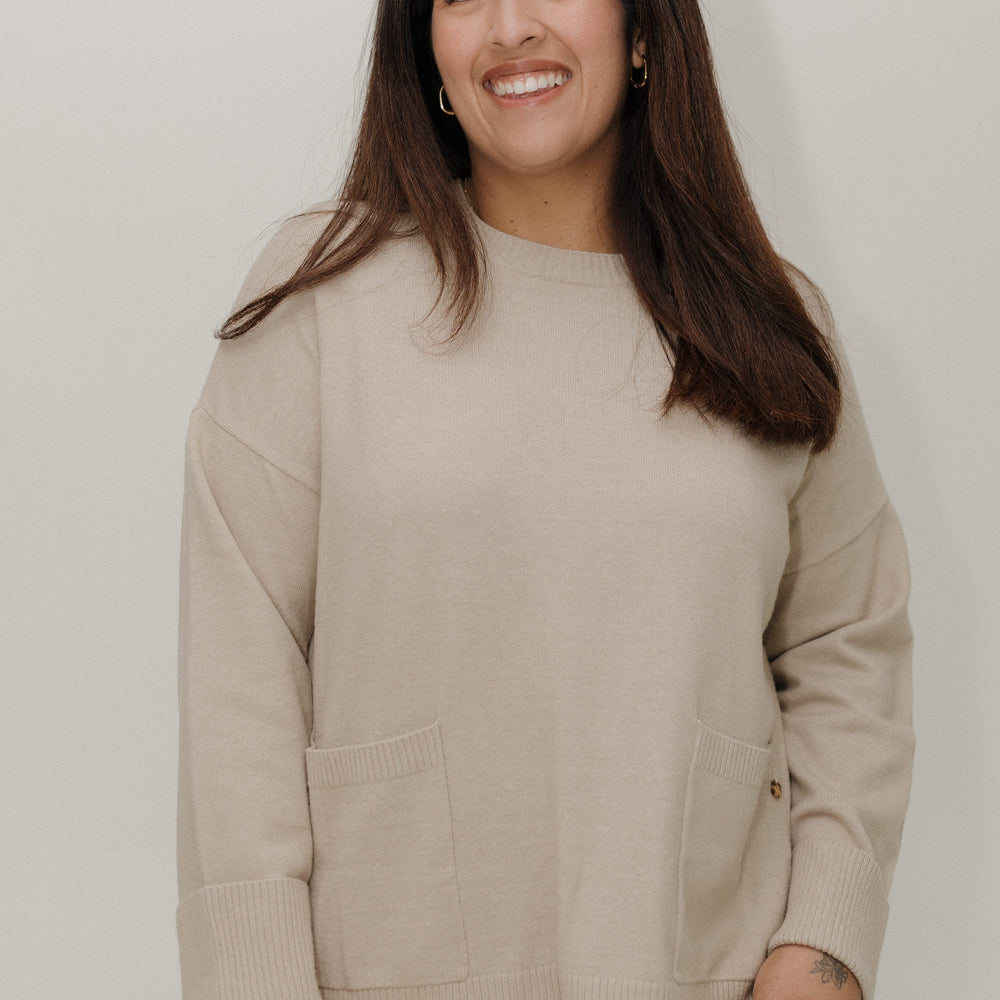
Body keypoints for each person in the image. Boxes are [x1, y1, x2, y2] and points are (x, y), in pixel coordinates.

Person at [176, 2, 914, 999]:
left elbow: (846, 642)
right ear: (425, 52)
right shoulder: (325, 303)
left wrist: (822, 943)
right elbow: (240, 687)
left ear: (646, 31)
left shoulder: (766, 328)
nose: (510, 26)